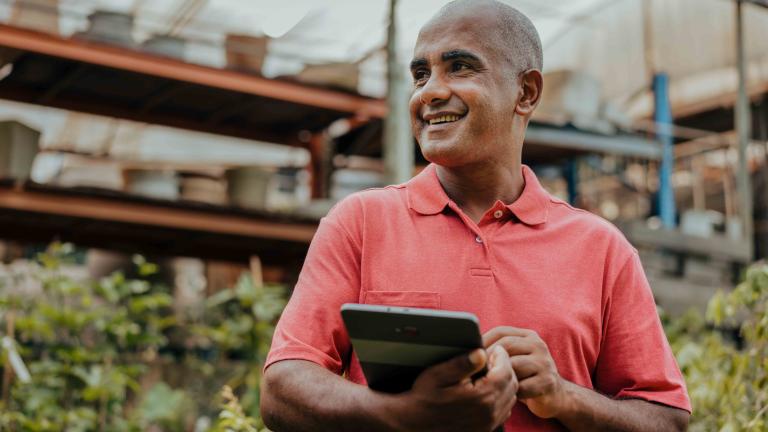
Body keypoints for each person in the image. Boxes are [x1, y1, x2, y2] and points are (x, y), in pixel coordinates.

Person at [260, 1, 691, 430]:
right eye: (420, 74)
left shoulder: (601, 248)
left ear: (526, 93)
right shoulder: (361, 223)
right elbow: (282, 388)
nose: (429, 91)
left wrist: (563, 395)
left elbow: (667, 421)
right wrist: (407, 415)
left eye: (461, 67)